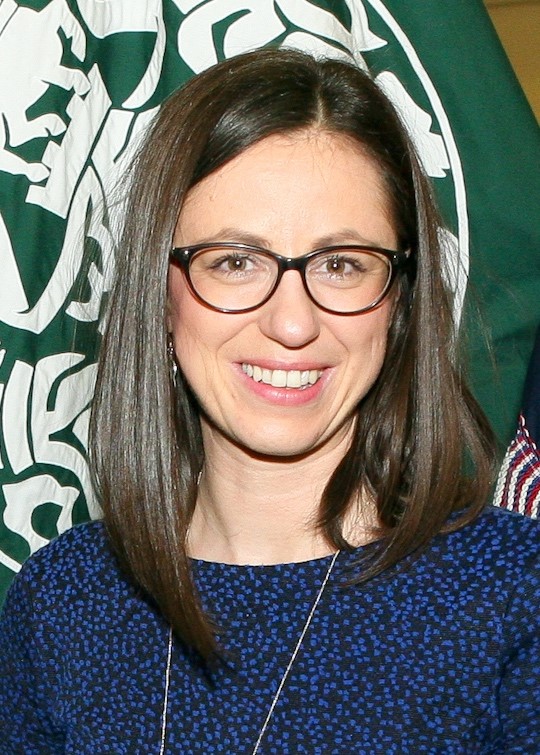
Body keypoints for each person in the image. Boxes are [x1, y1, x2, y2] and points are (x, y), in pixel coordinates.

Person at [0, 48, 538, 754]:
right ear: (158, 294)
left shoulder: (514, 595)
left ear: (399, 301)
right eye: (234, 262)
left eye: (342, 264)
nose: (292, 322)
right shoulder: (62, 600)